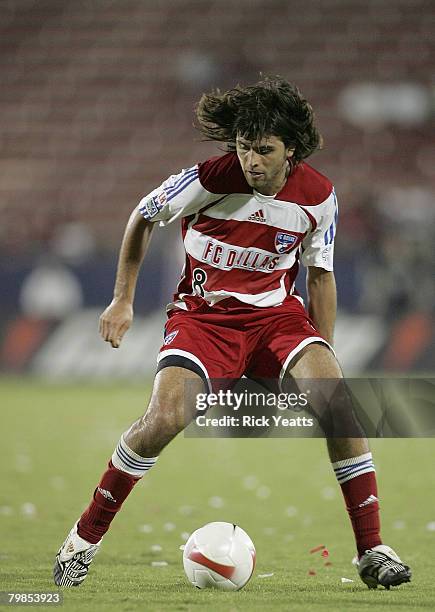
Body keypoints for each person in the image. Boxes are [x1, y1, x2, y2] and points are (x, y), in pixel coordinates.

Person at [53, 77, 411, 589]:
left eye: (264, 150)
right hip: (203, 320)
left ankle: (373, 551)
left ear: (292, 151)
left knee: (338, 405)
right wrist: (122, 299)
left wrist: (323, 353)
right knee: (165, 418)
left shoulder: (319, 198)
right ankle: (83, 539)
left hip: (275, 320)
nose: (252, 161)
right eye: (244, 148)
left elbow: (320, 275)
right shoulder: (208, 179)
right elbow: (143, 215)